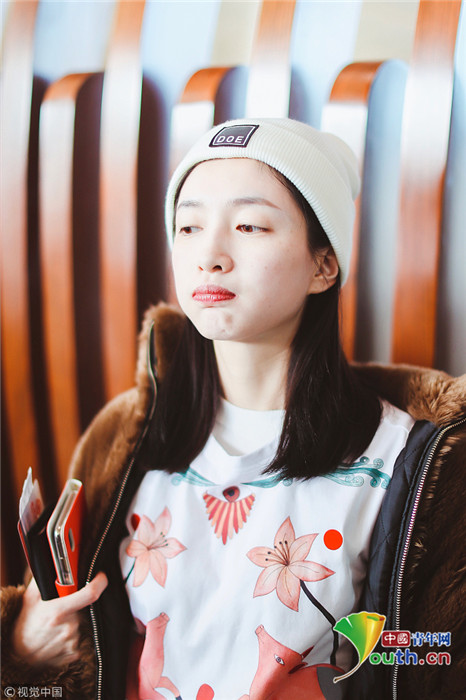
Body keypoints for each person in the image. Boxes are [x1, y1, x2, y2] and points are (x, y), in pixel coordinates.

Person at [2, 118, 465, 700]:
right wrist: (24, 653)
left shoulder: (412, 460)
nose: (210, 256)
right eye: (189, 226)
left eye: (249, 225)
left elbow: (442, 655)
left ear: (323, 265)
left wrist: (369, 649)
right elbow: (62, 663)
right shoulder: (126, 435)